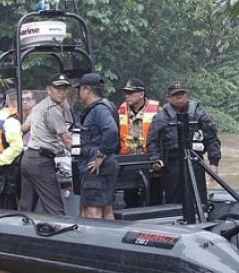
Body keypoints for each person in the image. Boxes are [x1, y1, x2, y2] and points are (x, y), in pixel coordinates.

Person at [146, 82, 221, 205]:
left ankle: (201, 217)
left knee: (199, 198)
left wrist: (214, 162)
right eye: (175, 94)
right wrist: (156, 160)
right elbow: (152, 142)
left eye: (182, 93)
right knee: (173, 198)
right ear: (169, 98)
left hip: (195, 160)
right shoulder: (161, 117)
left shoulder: (199, 114)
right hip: (172, 163)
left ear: (187, 95)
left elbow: (212, 138)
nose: (179, 97)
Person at [20, 74, 72, 215]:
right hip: (40, 161)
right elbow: (67, 141)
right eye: (58, 88)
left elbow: (23, 128)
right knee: (55, 209)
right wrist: (86, 155)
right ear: (48, 89)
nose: (62, 92)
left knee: (26, 209)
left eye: (65, 88)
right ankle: (60, 237)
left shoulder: (39, 106)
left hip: (28, 159)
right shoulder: (52, 109)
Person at [74, 73, 119, 219]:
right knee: (107, 208)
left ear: (86, 90)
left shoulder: (99, 109)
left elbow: (111, 130)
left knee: (92, 210)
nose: (79, 93)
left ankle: (94, 240)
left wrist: (100, 155)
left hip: (96, 165)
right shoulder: (108, 106)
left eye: (80, 89)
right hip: (105, 163)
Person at [118, 78, 161, 207]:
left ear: (141, 94)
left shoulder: (157, 111)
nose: (127, 95)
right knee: (130, 198)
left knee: (154, 196)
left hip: (150, 160)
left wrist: (159, 159)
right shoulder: (120, 111)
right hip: (129, 160)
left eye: (131, 93)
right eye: (126, 92)